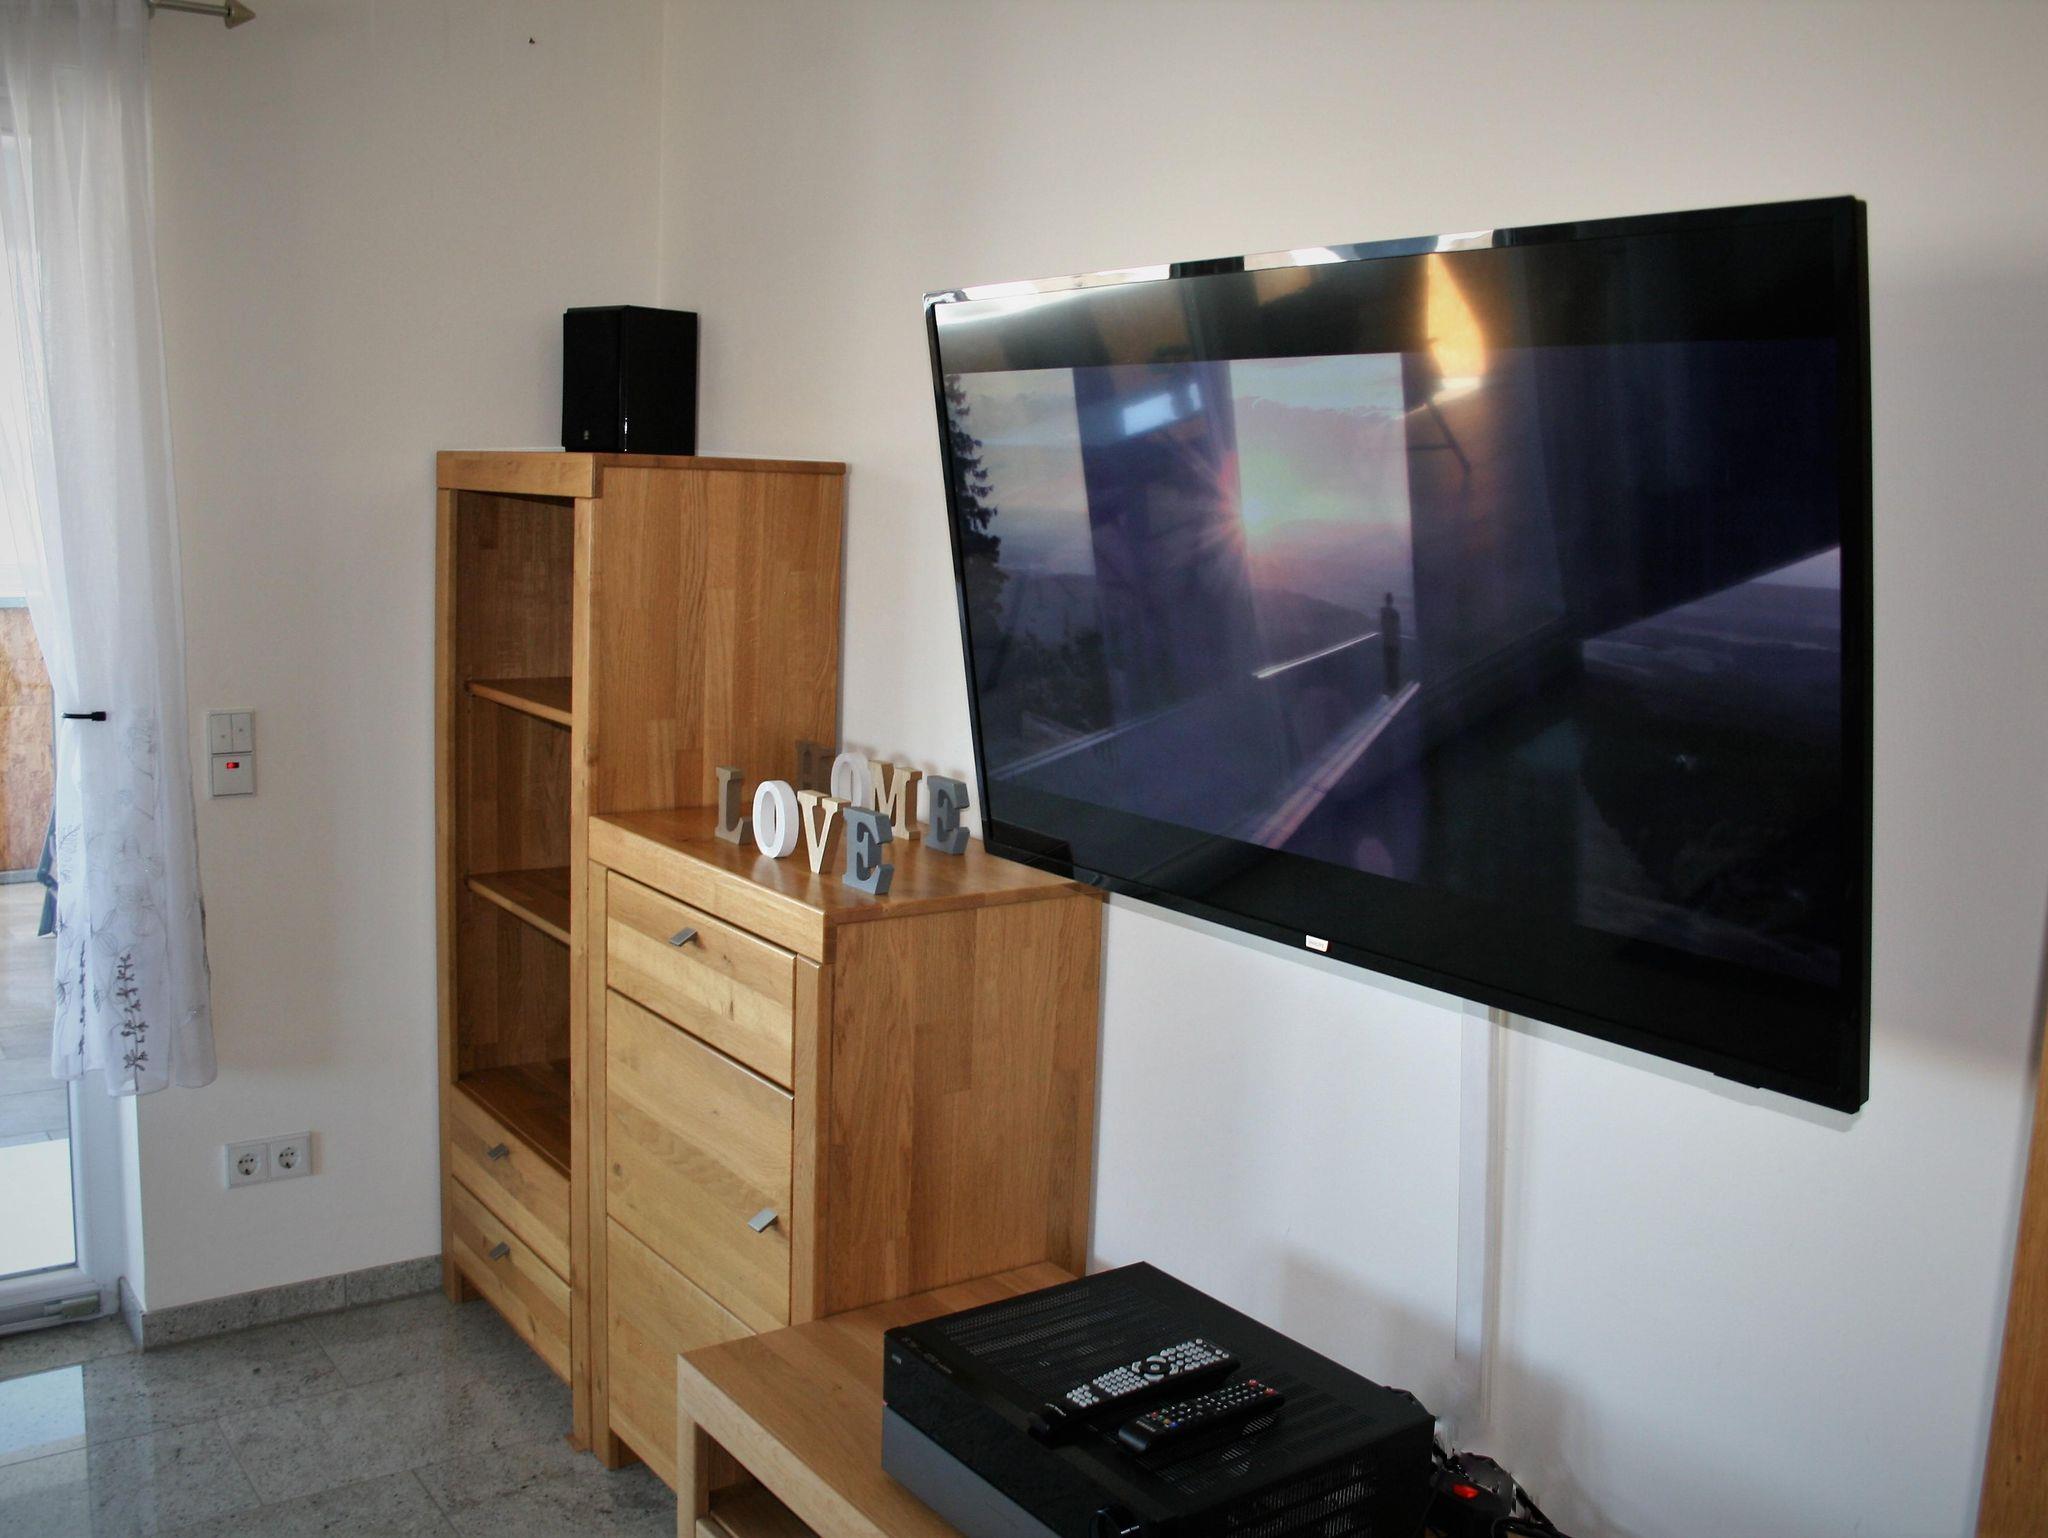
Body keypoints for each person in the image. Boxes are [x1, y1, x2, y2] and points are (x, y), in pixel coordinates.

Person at [1379, 592, 1403, 695]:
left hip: (1386, 642)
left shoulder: (1383, 612)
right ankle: (1394, 688)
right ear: (1392, 600)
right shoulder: (1395, 613)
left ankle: (1389, 688)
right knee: (1394, 665)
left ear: (1386, 600)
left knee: (1388, 665)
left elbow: (1383, 625)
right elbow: (1397, 628)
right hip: (1394, 642)